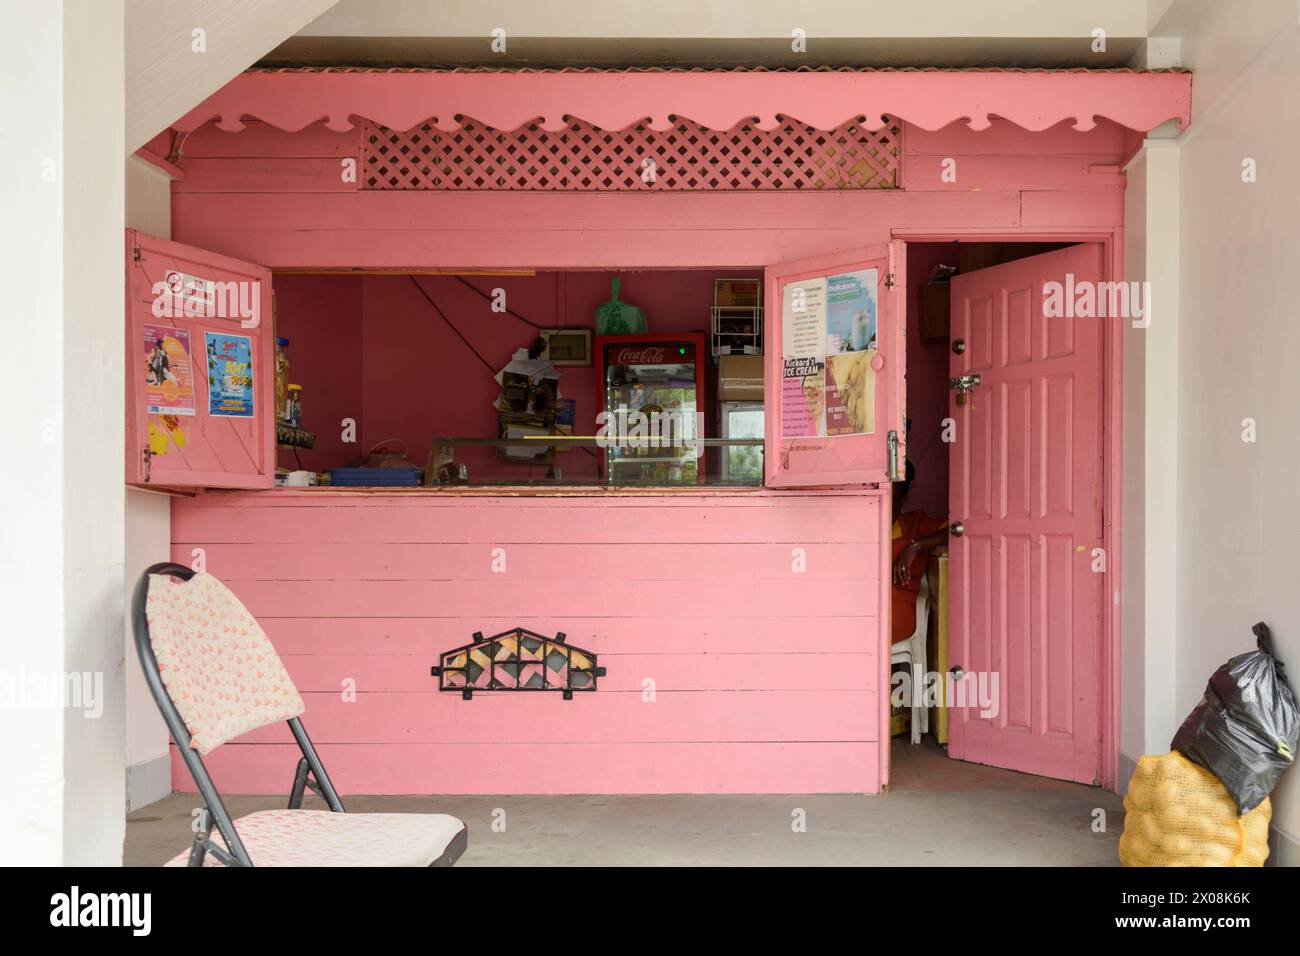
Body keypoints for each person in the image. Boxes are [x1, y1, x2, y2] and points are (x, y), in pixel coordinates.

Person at [891, 459, 947, 644]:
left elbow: (957, 530)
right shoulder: (860, 523)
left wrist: (915, 547)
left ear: (904, 499)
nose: (886, 505)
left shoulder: (915, 524)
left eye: (894, 498)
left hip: (895, 615)